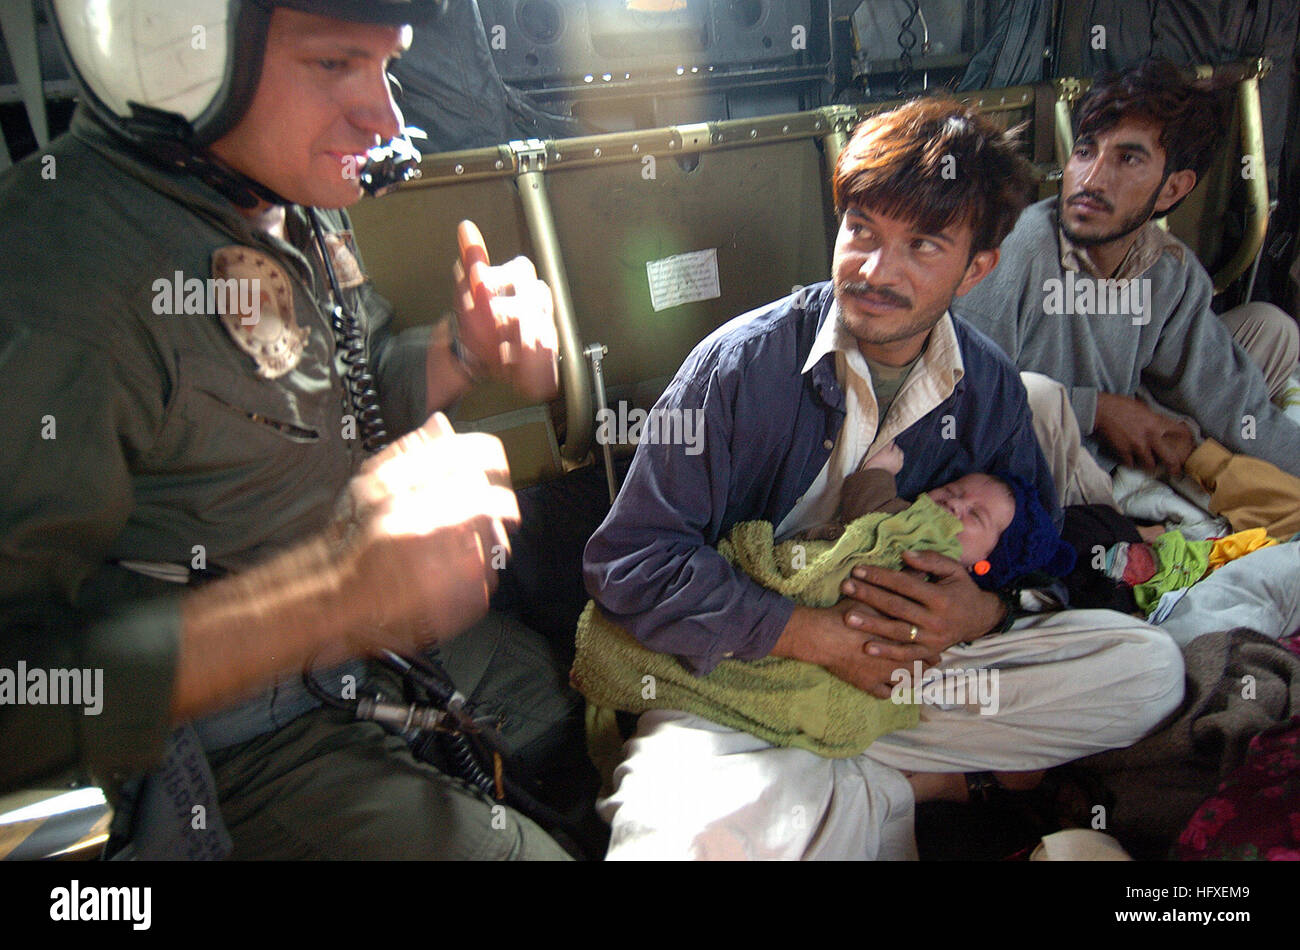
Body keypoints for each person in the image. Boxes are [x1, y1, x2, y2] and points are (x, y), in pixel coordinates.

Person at [0, 0, 572, 859]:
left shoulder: (278, 193)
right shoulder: (59, 281)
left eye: (387, 65)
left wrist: (461, 349)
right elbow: (23, 698)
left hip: (360, 656)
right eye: (336, 65)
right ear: (174, 48)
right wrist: (330, 594)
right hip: (229, 740)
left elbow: (346, 373)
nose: (385, 115)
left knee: (558, 706)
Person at [582, 97, 1185, 860]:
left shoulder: (991, 387)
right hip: (738, 683)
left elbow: (1036, 547)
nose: (874, 269)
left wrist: (983, 609)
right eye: (861, 230)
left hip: (906, 673)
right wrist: (805, 635)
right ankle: (909, 784)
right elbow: (629, 561)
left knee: (1146, 669)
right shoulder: (739, 366)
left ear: (977, 269)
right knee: (678, 843)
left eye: (922, 245)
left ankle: (827, 779)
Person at [955, 58, 1300, 503]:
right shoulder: (1017, 248)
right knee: (1039, 400)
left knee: (1271, 328)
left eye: (1128, 158)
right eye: (1085, 151)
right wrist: (1097, 410)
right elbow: (962, 394)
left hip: (1117, 430)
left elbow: (1237, 407)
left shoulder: (1170, 270)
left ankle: (1177, 450)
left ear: (1174, 188)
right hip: (1035, 451)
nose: (1091, 179)